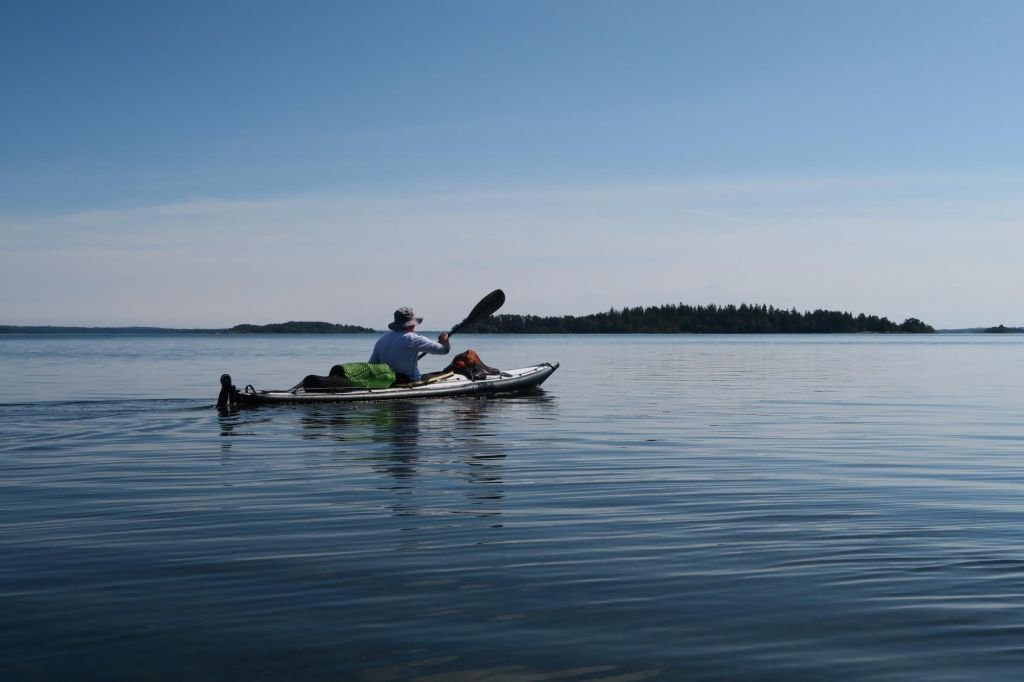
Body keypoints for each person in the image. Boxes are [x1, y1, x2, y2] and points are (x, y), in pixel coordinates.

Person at [369, 306, 450, 383]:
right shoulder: (414, 338)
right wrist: (444, 339)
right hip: (410, 381)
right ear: (411, 324)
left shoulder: (382, 339)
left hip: (387, 382)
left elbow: (372, 365)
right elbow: (444, 350)